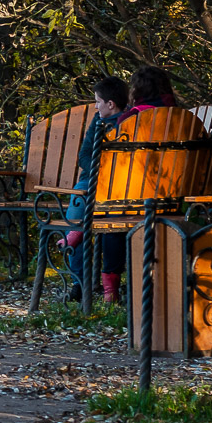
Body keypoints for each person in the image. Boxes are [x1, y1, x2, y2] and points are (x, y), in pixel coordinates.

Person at [60, 75, 130, 303]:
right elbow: (84, 155)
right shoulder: (97, 122)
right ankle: (81, 282)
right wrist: (100, 173)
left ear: (111, 103)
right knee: (79, 204)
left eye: (98, 101)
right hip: (92, 181)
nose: (96, 106)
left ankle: (76, 233)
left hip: (121, 187)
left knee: (88, 220)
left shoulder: (131, 121)